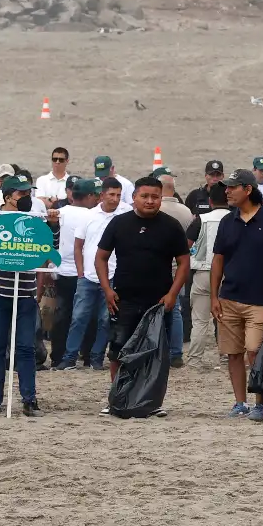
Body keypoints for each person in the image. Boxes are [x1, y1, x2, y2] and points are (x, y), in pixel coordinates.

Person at [95, 174, 192, 414]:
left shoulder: (171, 226)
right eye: (144, 196)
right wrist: (107, 289)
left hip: (159, 303)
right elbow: (101, 257)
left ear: (161, 198)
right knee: (119, 351)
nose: (150, 201)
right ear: (134, 197)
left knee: (155, 353)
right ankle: (116, 400)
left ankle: (151, 403)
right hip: (123, 299)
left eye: (155, 197)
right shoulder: (119, 223)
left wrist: (172, 295)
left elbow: (184, 262)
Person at [209, 169, 263, 422]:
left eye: (233, 187)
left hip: (260, 299)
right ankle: (240, 402)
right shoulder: (226, 222)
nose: (227, 191)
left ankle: (260, 403)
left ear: (248, 189)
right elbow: (218, 260)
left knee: (255, 351)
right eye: (227, 188)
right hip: (229, 297)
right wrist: (214, 296)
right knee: (233, 353)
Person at [0, 175, 45, 414]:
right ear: (7, 198)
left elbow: (47, 252)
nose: (27, 198)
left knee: (26, 348)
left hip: (25, 293)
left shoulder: (35, 221)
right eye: (21, 194)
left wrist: (53, 225)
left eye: (28, 194)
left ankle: (29, 399)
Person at [62, 178, 123, 369]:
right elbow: (78, 245)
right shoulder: (88, 216)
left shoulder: (125, 214)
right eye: (111, 194)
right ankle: (70, 357)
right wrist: (80, 273)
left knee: (106, 320)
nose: (115, 199)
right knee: (79, 317)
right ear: (102, 195)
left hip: (113, 274)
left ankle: (97, 358)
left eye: (118, 195)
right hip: (88, 276)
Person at [46, 179, 95, 368]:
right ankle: (87, 354)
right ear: (89, 196)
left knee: (63, 314)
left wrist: (51, 265)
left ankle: (58, 356)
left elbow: (50, 241)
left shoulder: (60, 213)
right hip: (85, 271)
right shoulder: (92, 215)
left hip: (63, 271)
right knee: (87, 316)